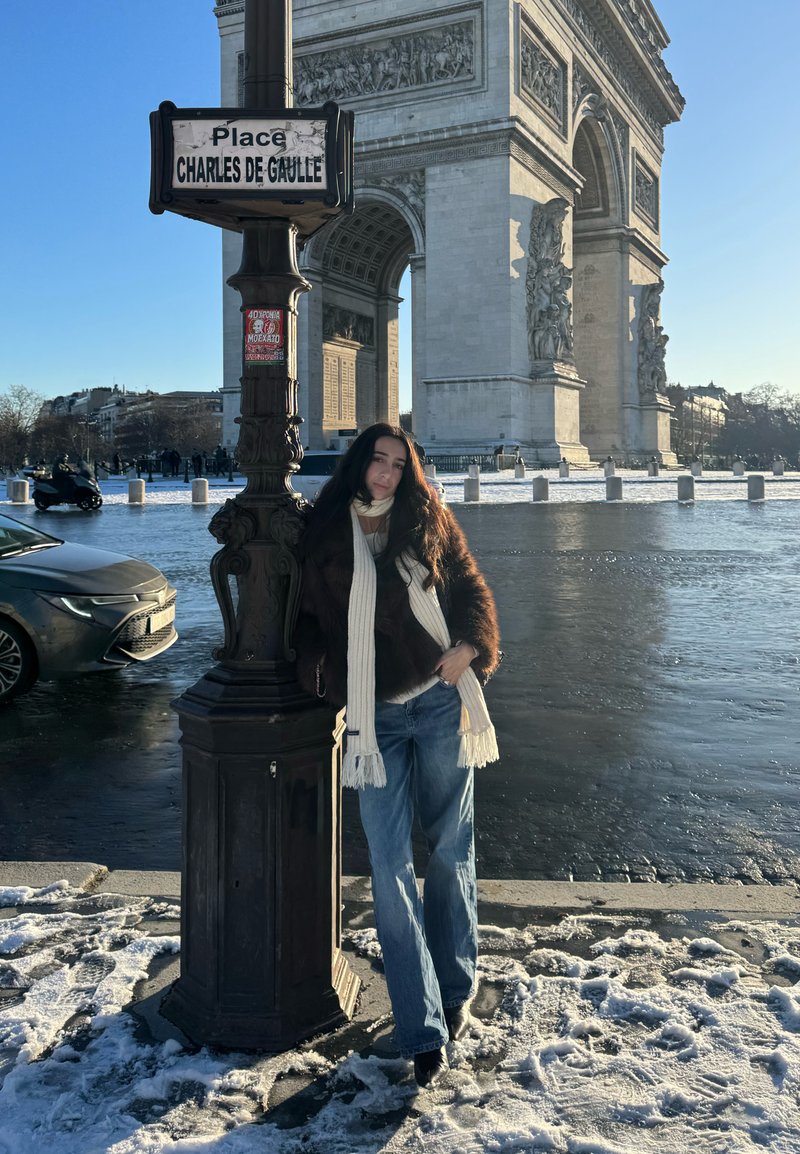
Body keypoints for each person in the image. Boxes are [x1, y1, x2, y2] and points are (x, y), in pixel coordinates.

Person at [294, 423, 501, 1088]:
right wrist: (324, 674)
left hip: (441, 701)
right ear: (358, 464)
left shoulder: (429, 517)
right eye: (376, 461)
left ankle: (454, 985)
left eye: (395, 464)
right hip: (373, 715)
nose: (385, 473)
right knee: (388, 866)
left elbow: (468, 585)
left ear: (408, 470)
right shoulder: (322, 531)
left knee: (448, 848)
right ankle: (420, 1027)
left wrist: (472, 645)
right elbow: (304, 626)